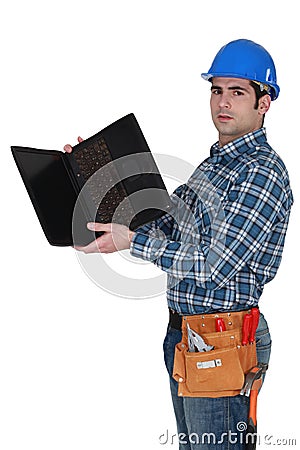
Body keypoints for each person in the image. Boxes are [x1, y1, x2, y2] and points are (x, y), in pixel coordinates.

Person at [64, 39, 293, 449]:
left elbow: (213, 265)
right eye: (216, 90)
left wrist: (132, 241)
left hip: (223, 338)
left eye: (237, 92)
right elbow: (166, 227)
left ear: (264, 103)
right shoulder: (214, 166)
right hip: (186, 336)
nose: (223, 101)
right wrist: (93, 178)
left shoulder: (262, 173)